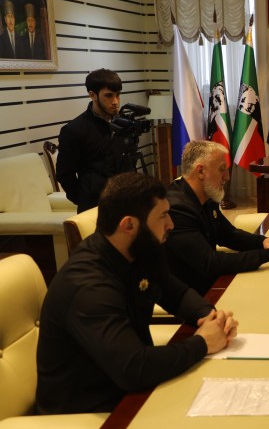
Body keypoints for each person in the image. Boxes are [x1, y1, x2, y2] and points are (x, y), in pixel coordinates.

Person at [36, 172, 238, 414]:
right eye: (162, 216)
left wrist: (210, 316)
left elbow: (176, 293)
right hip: (89, 410)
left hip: (133, 389)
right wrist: (203, 343)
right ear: (129, 225)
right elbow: (133, 369)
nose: (171, 225)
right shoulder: (87, 285)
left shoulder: (140, 250)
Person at [165, 140, 269, 295]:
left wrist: (262, 242)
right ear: (201, 171)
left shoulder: (206, 196)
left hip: (211, 282)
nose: (227, 177)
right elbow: (209, 263)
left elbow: (228, 234)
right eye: (222, 170)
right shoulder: (177, 209)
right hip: (192, 293)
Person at [56, 68, 135, 213]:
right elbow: (64, 174)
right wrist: (84, 198)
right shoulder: (74, 130)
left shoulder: (123, 124)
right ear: (93, 95)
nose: (115, 102)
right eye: (109, 96)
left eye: (118, 95)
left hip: (126, 201)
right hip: (94, 207)